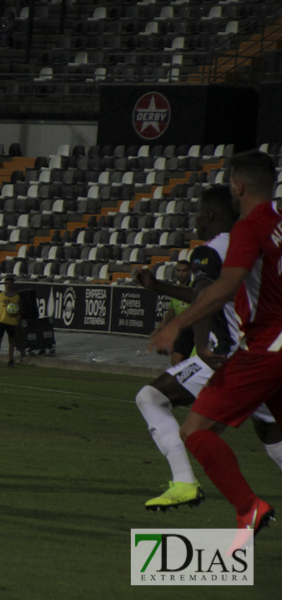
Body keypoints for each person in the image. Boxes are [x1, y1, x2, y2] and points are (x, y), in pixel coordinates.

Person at [151, 150, 282, 539]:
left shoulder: (250, 227)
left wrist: (177, 326)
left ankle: (249, 509)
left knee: (194, 430)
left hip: (264, 349)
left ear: (238, 186)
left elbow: (224, 286)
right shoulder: (279, 223)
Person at [154, 260, 194, 365]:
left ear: (190, 272)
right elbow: (171, 312)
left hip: (191, 329)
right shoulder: (176, 290)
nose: (181, 274)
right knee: (183, 362)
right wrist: (159, 328)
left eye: (184, 271)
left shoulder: (194, 288)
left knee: (176, 361)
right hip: (179, 331)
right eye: (178, 270)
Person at [0, 276, 20, 366]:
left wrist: (17, 318)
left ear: (12, 285)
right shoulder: (1, 295)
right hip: (1, 320)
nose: (7, 285)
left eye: (9, 284)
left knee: (11, 342)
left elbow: (19, 309)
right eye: (6, 283)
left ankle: (10, 360)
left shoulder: (16, 297)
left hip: (11, 322)